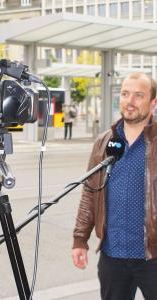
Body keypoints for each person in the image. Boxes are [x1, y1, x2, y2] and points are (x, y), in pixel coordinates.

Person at [72, 72, 157, 300]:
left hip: (153, 256)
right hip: (112, 255)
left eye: (139, 95)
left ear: (153, 102)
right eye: (125, 94)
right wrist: (80, 239)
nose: (130, 101)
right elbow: (90, 193)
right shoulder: (104, 141)